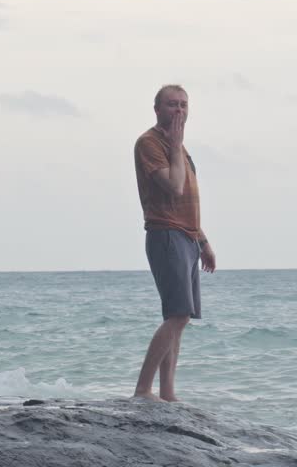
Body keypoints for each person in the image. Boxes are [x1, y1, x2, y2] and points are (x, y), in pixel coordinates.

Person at [132, 84, 216, 402]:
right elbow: (174, 187)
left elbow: (189, 205)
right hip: (165, 233)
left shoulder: (180, 148)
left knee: (181, 320)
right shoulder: (149, 143)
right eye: (171, 105)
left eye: (183, 105)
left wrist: (203, 241)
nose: (178, 111)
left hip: (187, 236)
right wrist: (177, 146)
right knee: (177, 313)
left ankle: (167, 392)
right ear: (157, 109)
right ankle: (143, 389)